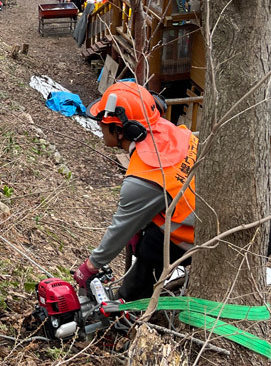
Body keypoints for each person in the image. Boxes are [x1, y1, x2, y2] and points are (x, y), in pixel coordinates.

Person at [74, 81, 197, 301]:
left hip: (211, 235)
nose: (100, 128)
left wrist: (91, 266)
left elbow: (120, 228)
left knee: (150, 248)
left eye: (103, 124)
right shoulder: (170, 132)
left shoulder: (145, 177)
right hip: (207, 218)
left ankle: (130, 307)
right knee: (149, 237)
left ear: (120, 130)